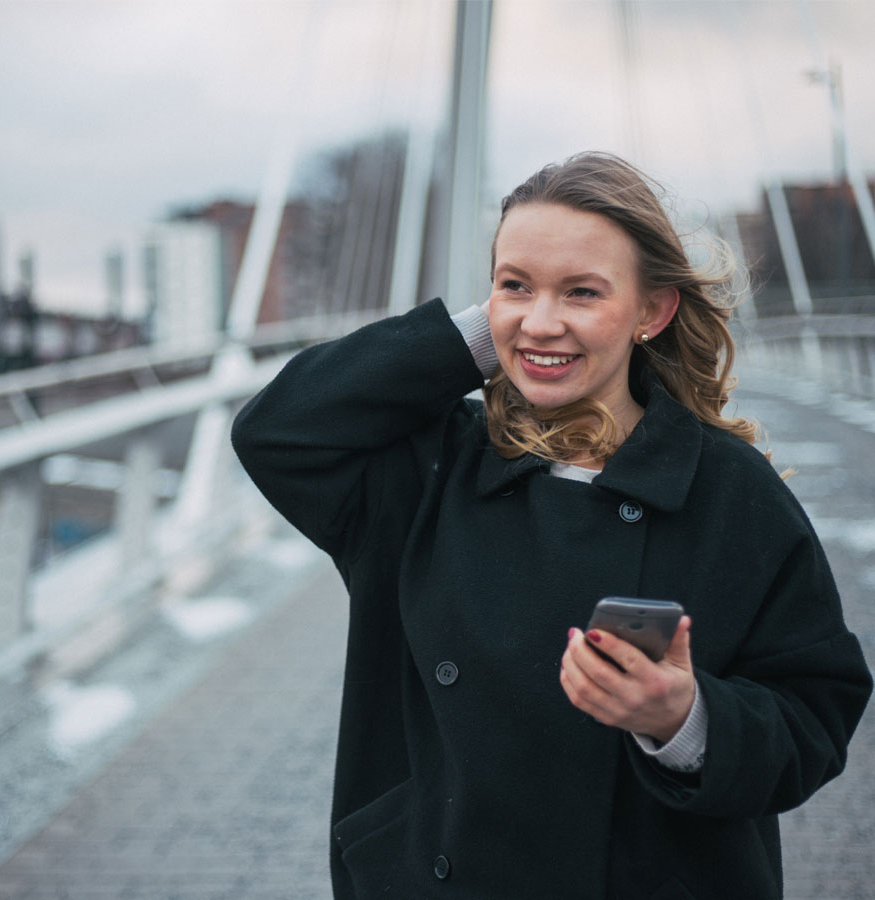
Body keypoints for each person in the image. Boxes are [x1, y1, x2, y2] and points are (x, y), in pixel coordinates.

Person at [231, 152, 872, 899]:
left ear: (652, 312)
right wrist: (497, 335)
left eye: (582, 292)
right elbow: (278, 431)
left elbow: (816, 714)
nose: (543, 319)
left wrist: (685, 720)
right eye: (515, 284)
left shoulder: (729, 489)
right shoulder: (428, 470)